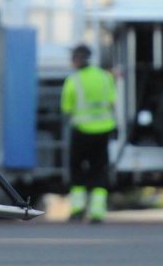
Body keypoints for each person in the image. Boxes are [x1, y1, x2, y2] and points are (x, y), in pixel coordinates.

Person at [61, 44, 117, 223]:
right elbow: (112, 101)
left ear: (77, 60)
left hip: (81, 131)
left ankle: (77, 209)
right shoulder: (105, 77)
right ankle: (97, 212)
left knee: (77, 169)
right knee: (99, 170)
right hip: (104, 130)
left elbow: (66, 107)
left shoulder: (73, 80)